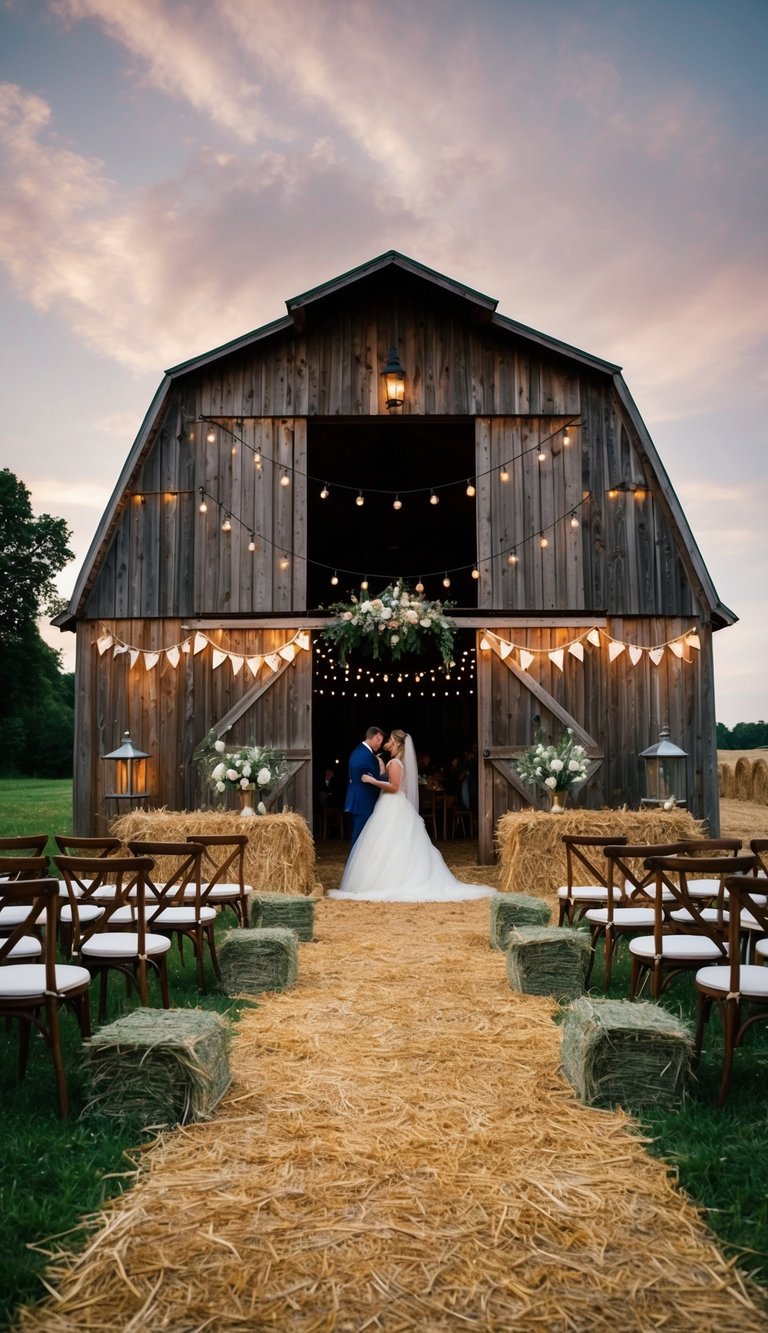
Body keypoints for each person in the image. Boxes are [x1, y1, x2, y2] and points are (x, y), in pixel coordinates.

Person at [329, 730, 492, 902]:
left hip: (392, 803)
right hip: (393, 803)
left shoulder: (395, 762)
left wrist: (373, 781)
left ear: (397, 744)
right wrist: (382, 769)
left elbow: (394, 787)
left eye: (390, 740)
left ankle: (391, 879)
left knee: (389, 842)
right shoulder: (396, 762)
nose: (387, 743)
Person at [344, 726, 385, 848]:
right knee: (360, 839)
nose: (380, 744)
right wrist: (384, 771)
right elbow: (376, 779)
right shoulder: (367, 756)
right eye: (379, 740)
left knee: (360, 838)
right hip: (364, 802)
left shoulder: (359, 751)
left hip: (358, 800)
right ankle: (354, 861)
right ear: (375, 737)